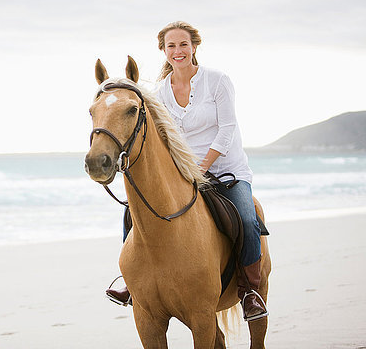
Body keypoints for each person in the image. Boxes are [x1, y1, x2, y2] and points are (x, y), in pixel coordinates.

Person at [106, 21, 268, 322]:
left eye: (183, 44)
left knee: (247, 217)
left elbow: (227, 130)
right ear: (164, 51)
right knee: (133, 212)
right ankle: (132, 281)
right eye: (171, 46)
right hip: (185, 171)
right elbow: (162, 136)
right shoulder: (161, 92)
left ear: (194, 47)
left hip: (226, 170)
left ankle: (249, 291)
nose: (177, 51)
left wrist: (201, 168)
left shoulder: (217, 81)